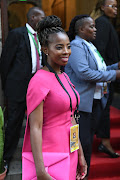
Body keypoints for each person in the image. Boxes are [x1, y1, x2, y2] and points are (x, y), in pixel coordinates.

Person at [22, 15, 87, 180]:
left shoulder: (64, 76)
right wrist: (41, 170)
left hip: (69, 150)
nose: (66, 52)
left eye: (68, 46)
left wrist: (80, 154)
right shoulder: (38, 81)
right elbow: (34, 127)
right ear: (45, 49)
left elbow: (71, 117)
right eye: (59, 47)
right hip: (50, 156)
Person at [65, 14, 120, 179]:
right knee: (83, 144)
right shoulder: (76, 46)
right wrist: (115, 74)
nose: (95, 29)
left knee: (87, 143)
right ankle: (79, 175)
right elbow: (84, 73)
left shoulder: (89, 45)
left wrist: (115, 66)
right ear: (81, 29)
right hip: (82, 104)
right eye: (92, 26)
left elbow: (100, 69)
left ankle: (83, 175)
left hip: (95, 101)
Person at [0, 6, 45, 171]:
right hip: (17, 88)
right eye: (41, 17)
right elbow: (5, 62)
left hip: (36, 88)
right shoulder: (17, 34)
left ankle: (37, 158)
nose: (44, 21)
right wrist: (8, 86)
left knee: (38, 123)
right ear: (33, 17)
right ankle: (6, 159)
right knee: (14, 123)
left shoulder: (42, 36)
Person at [91, 0, 120, 158]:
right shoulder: (102, 22)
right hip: (107, 74)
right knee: (104, 108)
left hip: (110, 72)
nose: (115, 9)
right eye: (112, 6)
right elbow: (100, 50)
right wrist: (107, 74)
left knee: (105, 107)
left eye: (116, 6)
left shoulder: (105, 22)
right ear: (102, 7)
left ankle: (105, 141)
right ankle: (105, 142)